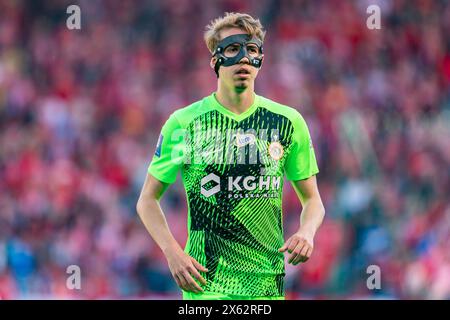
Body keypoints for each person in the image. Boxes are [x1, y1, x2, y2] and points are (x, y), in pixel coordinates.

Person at [136, 12, 325, 300]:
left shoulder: (288, 122)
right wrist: (173, 253)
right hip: (206, 285)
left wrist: (307, 232)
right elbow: (147, 200)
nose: (244, 59)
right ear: (215, 61)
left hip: (266, 285)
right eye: (233, 50)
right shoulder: (184, 123)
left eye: (251, 50)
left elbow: (313, 201)